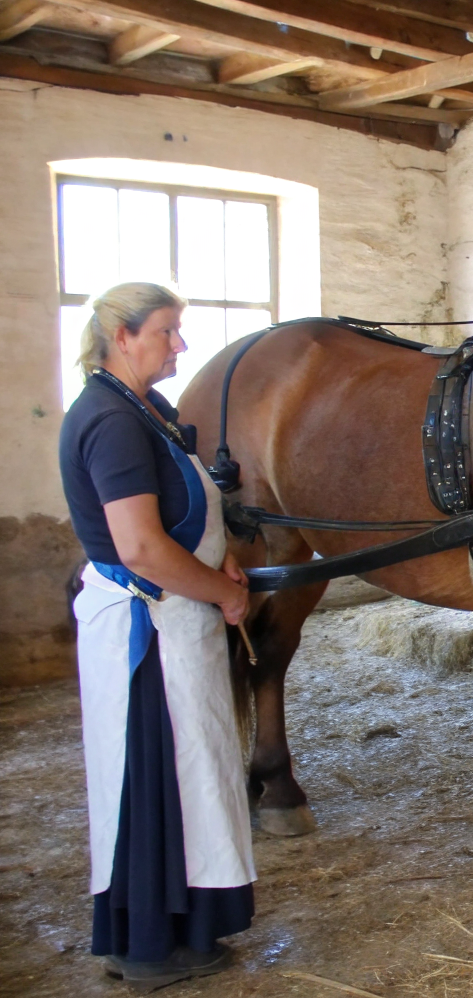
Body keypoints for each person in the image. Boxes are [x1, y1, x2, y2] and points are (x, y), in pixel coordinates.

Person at [58, 283, 255, 988]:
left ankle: (179, 930)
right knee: (153, 778)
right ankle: (146, 946)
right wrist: (225, 594)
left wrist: (219, 551)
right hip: (148, 629)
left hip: (179, 615)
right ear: (121, 333)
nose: (180, 345)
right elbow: (139, 546)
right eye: (168, 331)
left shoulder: (147, 412)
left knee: (186, 773)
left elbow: (181, 511)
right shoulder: (110, 421)